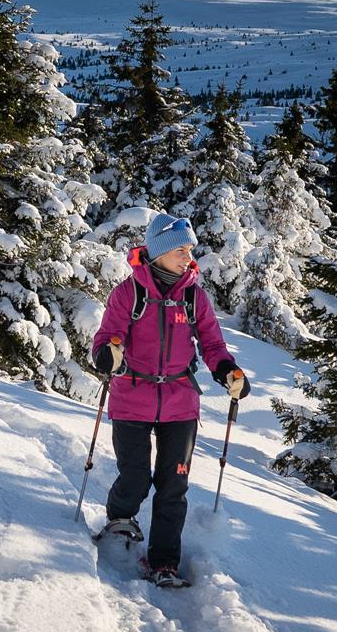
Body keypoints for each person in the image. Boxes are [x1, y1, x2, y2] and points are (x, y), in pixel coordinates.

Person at [89, 212, 251, 588]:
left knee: (173, 486)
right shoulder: (129, 293)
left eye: (189, 248)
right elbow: (108, 335)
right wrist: (107, 354)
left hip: (180, 402)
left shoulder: (193, 296)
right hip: (132, 397)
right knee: (135, 476)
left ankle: (164, 563)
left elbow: (212, 342)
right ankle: (120, 521)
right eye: (180, 249)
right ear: (158, 251)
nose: (187, 255)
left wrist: (228, 370)